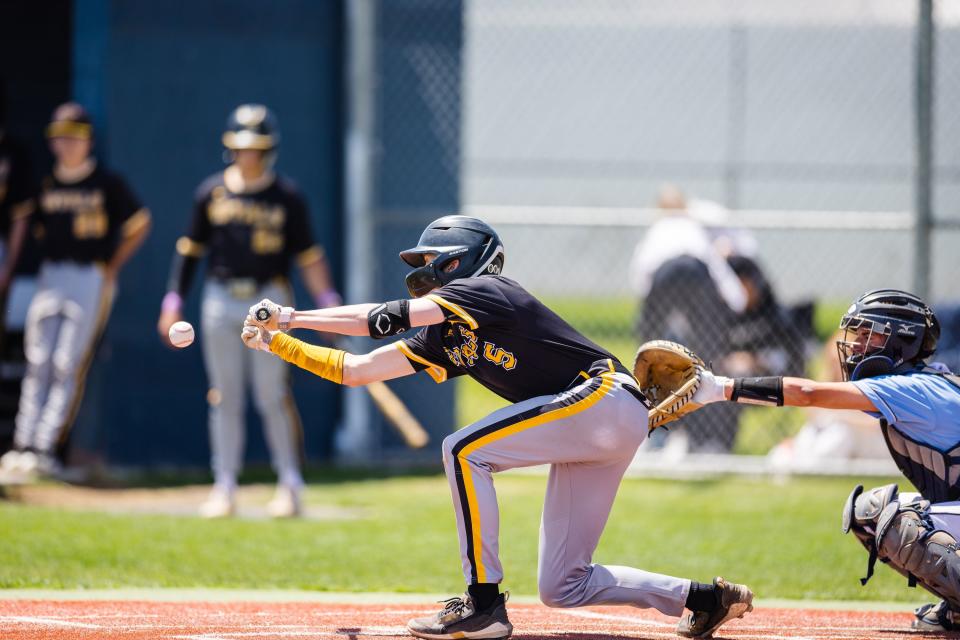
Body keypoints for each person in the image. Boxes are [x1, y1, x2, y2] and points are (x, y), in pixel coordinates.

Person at [242, 215, 754, 640]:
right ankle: (703, 599)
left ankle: (483, 603)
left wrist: (290, 316)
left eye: (428, 258)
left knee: (464, 450)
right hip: (603, 422)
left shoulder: (486, 290)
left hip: (602, 396)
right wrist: (275, 344)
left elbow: (384, 318)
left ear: (460, 257)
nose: (421, 268)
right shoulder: (444, 335)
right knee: (564, 586)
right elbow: (354, 370)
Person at [689, 288, 960, 632]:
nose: (857, 345)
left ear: (903, 341)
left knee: (896, 520)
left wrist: (720, 388)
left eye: (869, 335)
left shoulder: (909, 387)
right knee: (868, 513)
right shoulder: (925, 380)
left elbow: (808, 394)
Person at [157, 104, 340, 519]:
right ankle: (224, 485)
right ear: (230, 148)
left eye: (257, 147)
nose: (249, 155)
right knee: (224, 395)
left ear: (269, 149)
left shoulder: (287, 197)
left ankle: (290, 485)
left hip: (267, 300)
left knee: (272, 394)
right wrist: (172, 302)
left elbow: (309, 257)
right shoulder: (211, 193)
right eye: (241, 147)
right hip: (220, 297)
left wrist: (329, 304)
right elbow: (189, 254)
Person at [0, 103, 151, 478]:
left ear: (89, 141)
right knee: (39, 360)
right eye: (60, 137)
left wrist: (111, 267)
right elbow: (31, 228)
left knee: (67, 362)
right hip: (51, 274)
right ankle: (23, 445)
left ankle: (46, 449)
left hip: (89, 276)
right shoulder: (45, 185)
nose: (66, 144)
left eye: (75, 137)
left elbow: (139, 224)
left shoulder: (106, 182)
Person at [630, 186, 747, 454]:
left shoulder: (658, 230)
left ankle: (654, 433)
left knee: (650, 357)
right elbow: (713, 266)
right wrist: (735, 299)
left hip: (665, 273)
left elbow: (641, 275)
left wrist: (651, 321)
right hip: (695, 272)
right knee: (708, 355)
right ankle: (705, 437)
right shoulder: (692, 229)